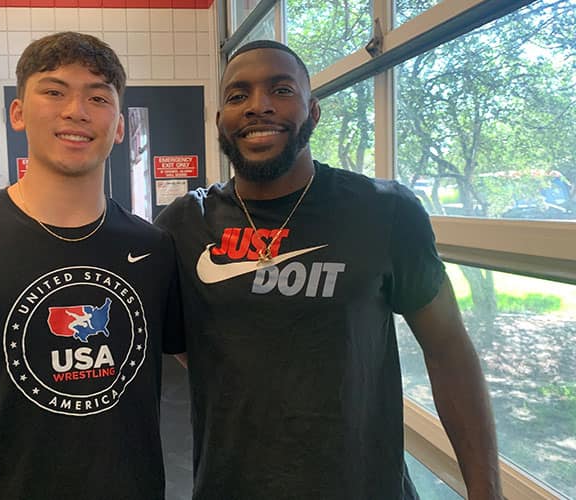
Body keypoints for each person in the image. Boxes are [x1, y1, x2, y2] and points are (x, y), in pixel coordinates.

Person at [154, 40, 502, 499]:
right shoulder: (184, 224)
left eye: (280, 90)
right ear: (220, 120)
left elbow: (448, 351)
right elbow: (189, 349)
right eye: (238, 96)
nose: (258, 106)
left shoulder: (385, 211)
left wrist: (487, 492)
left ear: (313, 111)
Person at [0, 32, 183, 500]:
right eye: (54, 90)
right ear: (18, 112)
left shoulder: (155, 249)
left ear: (119, 126)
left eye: (98, 97)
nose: (76, 110)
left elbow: (214, 359)